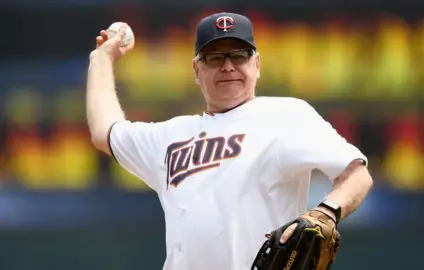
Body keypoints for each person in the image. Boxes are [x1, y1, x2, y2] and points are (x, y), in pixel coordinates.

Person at [86, 12, 373, 270]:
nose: (227, 66)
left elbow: (357, 175)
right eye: (214, 57)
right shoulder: (169, 137)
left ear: (256, 64)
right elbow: (105, 131)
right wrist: (100, 59)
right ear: (197, 71)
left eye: (238, 55)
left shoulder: (287, 115)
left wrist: (327, 211)